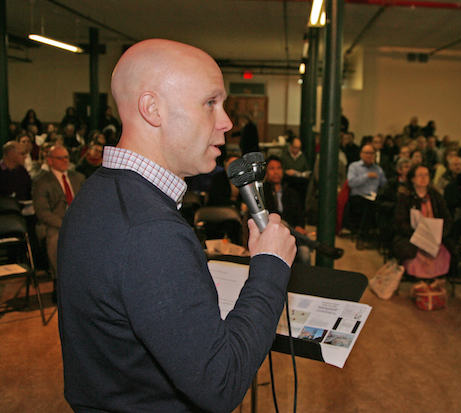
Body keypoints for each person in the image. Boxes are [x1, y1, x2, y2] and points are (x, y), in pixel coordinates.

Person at [57, 39, 296, 413]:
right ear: (153, 109)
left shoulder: (100, 190)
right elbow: (221, 382)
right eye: (210, 103)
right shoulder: (150, 231)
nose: (227, 122)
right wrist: (270, 267)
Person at [33, 145, 85, 280]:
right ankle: (60, 280)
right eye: (60, 158)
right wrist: (65, 224)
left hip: (79, 221)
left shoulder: (78, 178)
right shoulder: (41, 182)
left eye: (66, 157)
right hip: (54, 224)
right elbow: (43, 212)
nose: (64, 161)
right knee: (56, 238)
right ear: (49, 161)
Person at [390, 164, 452, 278]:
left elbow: (447, 218)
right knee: (414, 251)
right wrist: (417, 234)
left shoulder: (436, 196)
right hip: (411, 236)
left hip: (435, 237)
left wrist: (440, 234)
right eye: (420, 175)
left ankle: (433, 281)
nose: (423, 178)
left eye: (426, 175)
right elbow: (400, 221)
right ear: (413, 178)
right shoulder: (405, 197)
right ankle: (418, 279)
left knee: (444, 251)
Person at [263, 155, 311, 264]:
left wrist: (299, 226)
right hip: (272, 236)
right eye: (272, 168)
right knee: (281, 222)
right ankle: (314, 244)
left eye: (279, 168)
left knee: (304, 252)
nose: (276, 172)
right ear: (266, 172)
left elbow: (300, 214)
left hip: (293, 238)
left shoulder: (291, 192)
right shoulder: (262, 194)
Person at [346, 143, 387, 243]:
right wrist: (367, 176)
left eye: (372, 153)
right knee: (369, 206)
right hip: (358, 197)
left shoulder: (378, 169)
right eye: (367, 153)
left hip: (374, 198)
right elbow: (351, 183)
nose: (369, 155)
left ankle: (383, 240)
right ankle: (362, 238)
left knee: (385, 207)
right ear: (361, 154)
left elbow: (385, 184)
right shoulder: (354, 166)